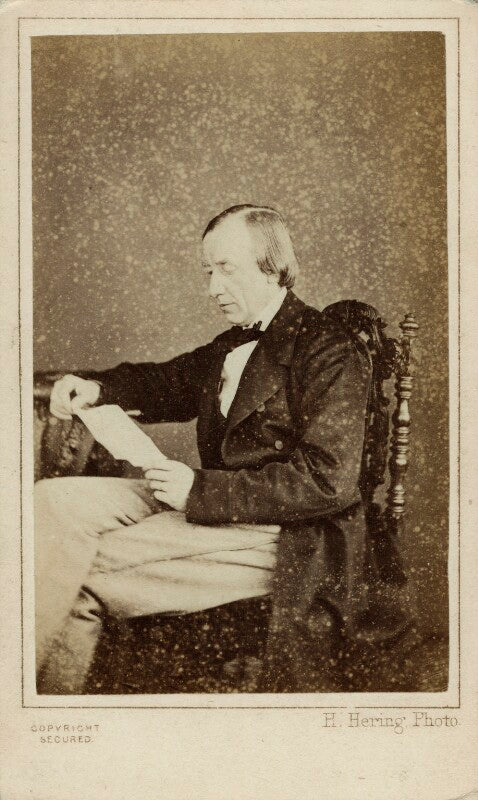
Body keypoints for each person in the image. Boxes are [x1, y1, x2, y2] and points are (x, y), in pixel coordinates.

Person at [35, 204, 412, 694]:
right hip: (220, 504)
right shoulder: (233, 344)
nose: (213, 287)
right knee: (49, 500)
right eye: (207, 271)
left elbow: (328, 482)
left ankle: (45, 709)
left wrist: (199, 489)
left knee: (80, 569)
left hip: (294, 533)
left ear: (272, 267)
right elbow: (165, 382)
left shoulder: (330, 349)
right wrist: (98, 388)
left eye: (226, 269)